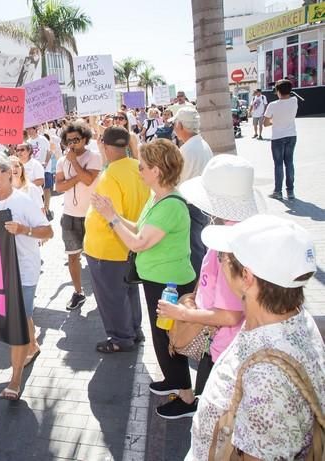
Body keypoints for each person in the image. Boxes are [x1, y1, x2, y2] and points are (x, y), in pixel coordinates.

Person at [186, 215, 323, 460]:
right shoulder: (284, 317)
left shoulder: (267, 379)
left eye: (223, 258)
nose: (220, 261)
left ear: (247, 277)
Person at [153, 155, 263, 419]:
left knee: (217, 420)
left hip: (225, 349)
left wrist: (182, 314)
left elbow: (231, 315)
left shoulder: (228, 246)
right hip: (235, 346)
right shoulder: (245, 231)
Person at [91, 139, 196, 404]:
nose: (139, 171)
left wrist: (112, 218)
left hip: (169, 284)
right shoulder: (157, 197)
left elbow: (138, 242)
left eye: (143, 167)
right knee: (161, 338)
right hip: (157, 281)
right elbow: (140, 227)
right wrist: (112, 213)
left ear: (157, 171)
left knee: (172, 339)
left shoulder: (171, 204)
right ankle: (172, 381)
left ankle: (185, 397)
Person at [0, 153, 53, 400]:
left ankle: (15, 378)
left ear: (10, 173)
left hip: (25, 271)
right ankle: (34, 345)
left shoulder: (24, 201)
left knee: (17, 322)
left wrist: (24, 229)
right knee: (24, 315)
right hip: (1, 273)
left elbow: (48, 231)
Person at [85, 127, 150, 351]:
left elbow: (112, 214)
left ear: (104, 145)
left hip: (108, 248)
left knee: (112, 298)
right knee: (129, 291)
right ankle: (134, 330)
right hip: (130, 244)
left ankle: (121, 338)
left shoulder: (111, 174)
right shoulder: (137, 166)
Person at [55, 121, 102, 311]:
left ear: (85, 139)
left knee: (96, 258)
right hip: (69, 215)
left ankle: (102, 292)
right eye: (69, 140)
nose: (73, 143)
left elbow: (90, 179)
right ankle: (78, 292)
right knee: (73, 256)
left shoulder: (94, 157)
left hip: (92, 215)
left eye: (76, 139)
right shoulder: (60, 161)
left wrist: (74, 164)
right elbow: (59, 187)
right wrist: (76, 177)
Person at [172, 107, 212, 277]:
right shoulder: (202, 145)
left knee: (195, 249)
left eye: (175, 124)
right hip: (202, 204)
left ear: (180, 125)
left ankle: (198, 286)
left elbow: (176, 179)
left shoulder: (187, 150)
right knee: (201, 247)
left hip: (191, 205)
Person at [263, 78, 298, 201]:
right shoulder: (294, 101)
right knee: (289, 163)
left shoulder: (272, 105)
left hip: (277, 137)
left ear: (277, 91)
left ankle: (278, 191)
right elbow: (291, 96)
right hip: (291, 135)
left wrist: (275, 121)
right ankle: (290, 192)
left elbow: (266, 123)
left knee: (278, 164)